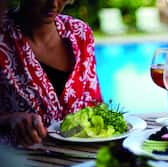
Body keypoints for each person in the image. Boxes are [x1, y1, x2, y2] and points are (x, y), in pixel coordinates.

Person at [0, 0, 102, 147]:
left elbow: (94, 102)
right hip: (19, 160)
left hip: (80, 152)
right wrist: (10, 119)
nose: (53, 4)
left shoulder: (80, 33)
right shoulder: (3, 38)